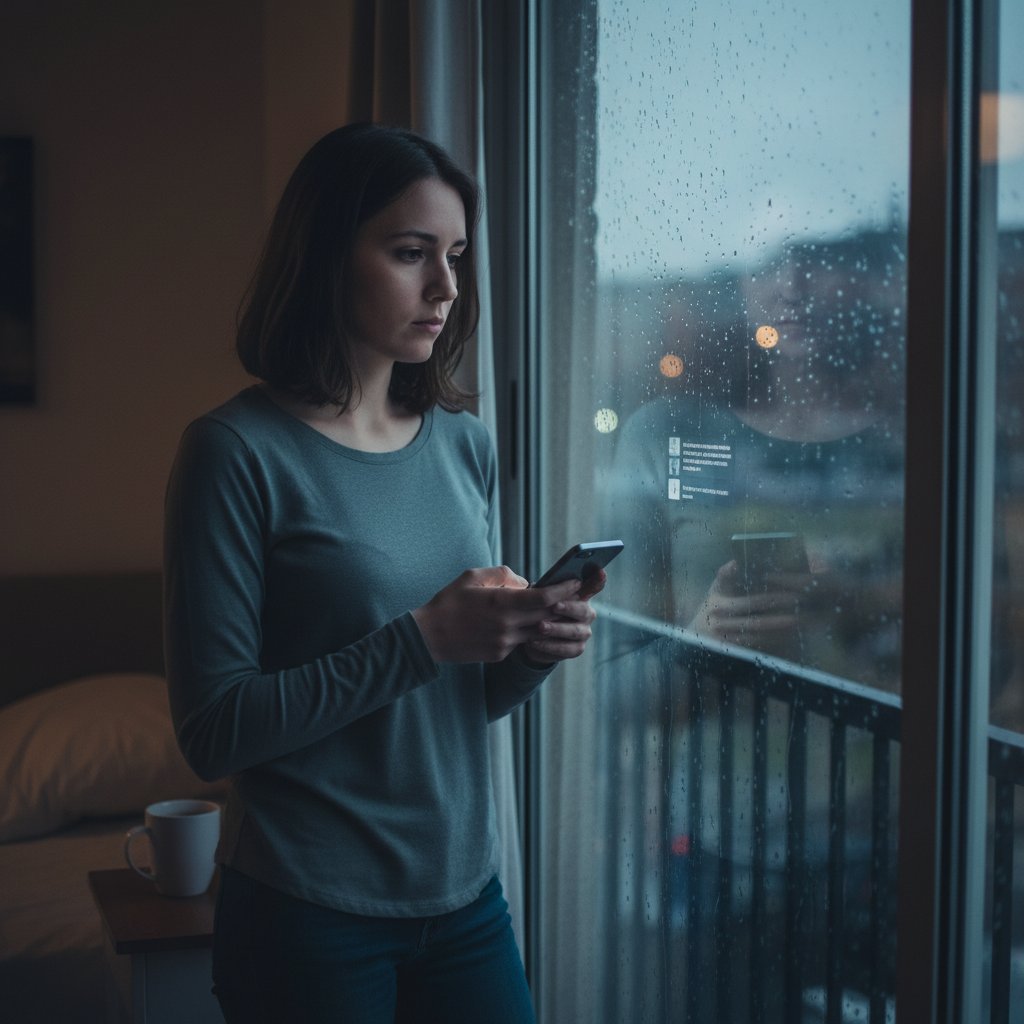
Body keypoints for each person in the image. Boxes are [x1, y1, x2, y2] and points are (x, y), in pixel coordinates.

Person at [163, 122, 604, 1024]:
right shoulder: (234, 453)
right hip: (307, 917)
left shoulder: (463, 448)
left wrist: (527, 652)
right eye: (411, 253)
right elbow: (214, 730)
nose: (445, 286)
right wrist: (425, 638)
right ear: (327, 255)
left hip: (466, 899)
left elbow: (451, 701)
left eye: (455, 256)